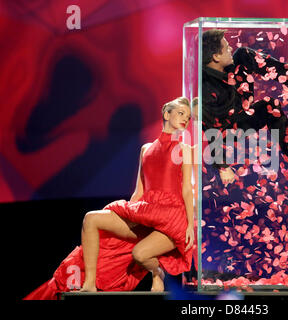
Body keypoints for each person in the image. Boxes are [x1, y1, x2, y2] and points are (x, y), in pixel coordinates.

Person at [24, 97, 194, 299]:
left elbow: (187, 190)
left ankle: (158, 272)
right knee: (91, 218)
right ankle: (89, 284)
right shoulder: (146, 149)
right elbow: (139, 190)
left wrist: (191, 224)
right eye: (181, 113)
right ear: (167, 114)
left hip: (171, 218)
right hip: (146, 211)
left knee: (139, 254)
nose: (185, 119)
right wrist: (130, 215)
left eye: (188, 117)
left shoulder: (183, 150)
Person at [202, 29, 288, 185]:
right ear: (216, 56)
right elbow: (211, 130)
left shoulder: (224, 69)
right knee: (270, 106)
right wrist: (223, 166)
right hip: (229, 130)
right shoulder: (207, 88)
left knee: (243, 54)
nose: (230, 48)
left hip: (236, 100)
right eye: (226, 47)